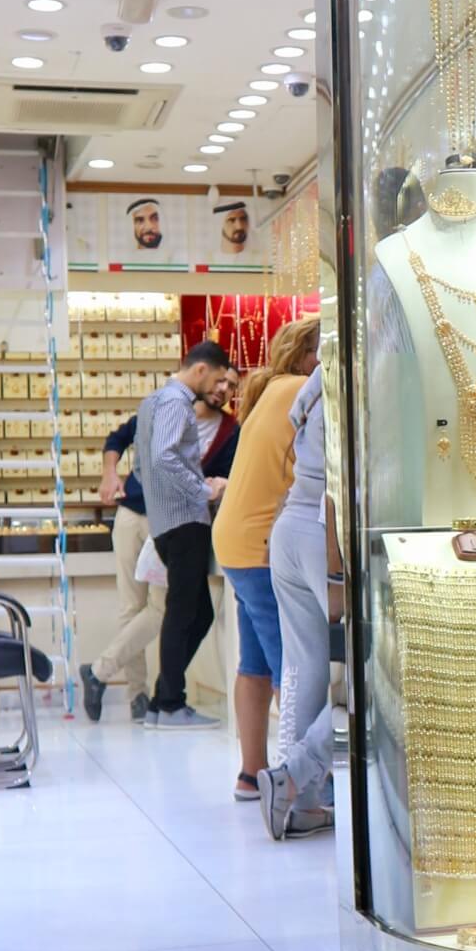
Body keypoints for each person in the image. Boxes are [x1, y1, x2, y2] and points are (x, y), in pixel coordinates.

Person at [79, 364, 240, 722]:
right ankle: (138, 695)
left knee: (161, 609)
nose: (223, 389)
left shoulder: (230, 431)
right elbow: (117, 439)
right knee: (132, 608)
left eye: (231, 385)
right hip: (132, 513)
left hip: (172, 523)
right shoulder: (166, 407)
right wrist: (109, 474)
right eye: (220, 380)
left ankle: (107, 675)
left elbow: (225, 477)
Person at [214, 318, 320, 801]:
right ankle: (294, 786)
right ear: (304, 356)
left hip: (236, 541)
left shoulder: (272, 389)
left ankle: (251, 774)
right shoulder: (304, 390)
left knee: (254, 662)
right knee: (290, 668)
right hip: (262, 545)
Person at [133, 340, 232, 730]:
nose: (219, 389)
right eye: (218, 379)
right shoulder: (177, 403)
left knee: (196, 611)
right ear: (201, 369)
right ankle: (171, 705)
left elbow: (141, 466)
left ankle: (162, 701)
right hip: (185, 522)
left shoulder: (151, 402)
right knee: (181, 613)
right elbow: (163, 457)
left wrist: (162, 497)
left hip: (163, 521)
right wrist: (202, 490)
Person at [258, 362, 338, 839]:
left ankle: (299, 804)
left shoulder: (321, 374)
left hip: (291, 524)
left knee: (305, 667)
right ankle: (294, 774)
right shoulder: (367, 365)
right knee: (374, 671)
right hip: (328, 530)